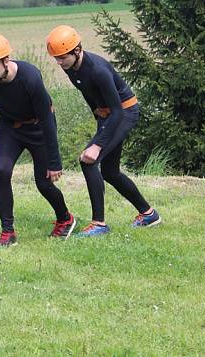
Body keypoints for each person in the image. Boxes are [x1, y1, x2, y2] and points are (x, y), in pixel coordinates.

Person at [46, 25, 161, 237]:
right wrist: (96, 113)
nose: (59, 62)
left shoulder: (97, 69)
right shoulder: (71, 68)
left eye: (63, 57)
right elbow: (87, 92)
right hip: (108, 114)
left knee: (88, 160)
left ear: (77, 50)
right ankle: (149, 214)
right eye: (56, 58)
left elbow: (118, 110)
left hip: (124, 112)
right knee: (110, 172)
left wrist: (98, 143)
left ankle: (99, 224)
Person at [0, 34, 76, 247]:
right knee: (1, 171)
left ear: (6, 61)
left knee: (44, 183)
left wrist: (55, 162)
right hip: (11, 128)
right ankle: (7, 232)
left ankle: (65, 218)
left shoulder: (29, 77)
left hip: (39, 127)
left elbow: (47, 119)